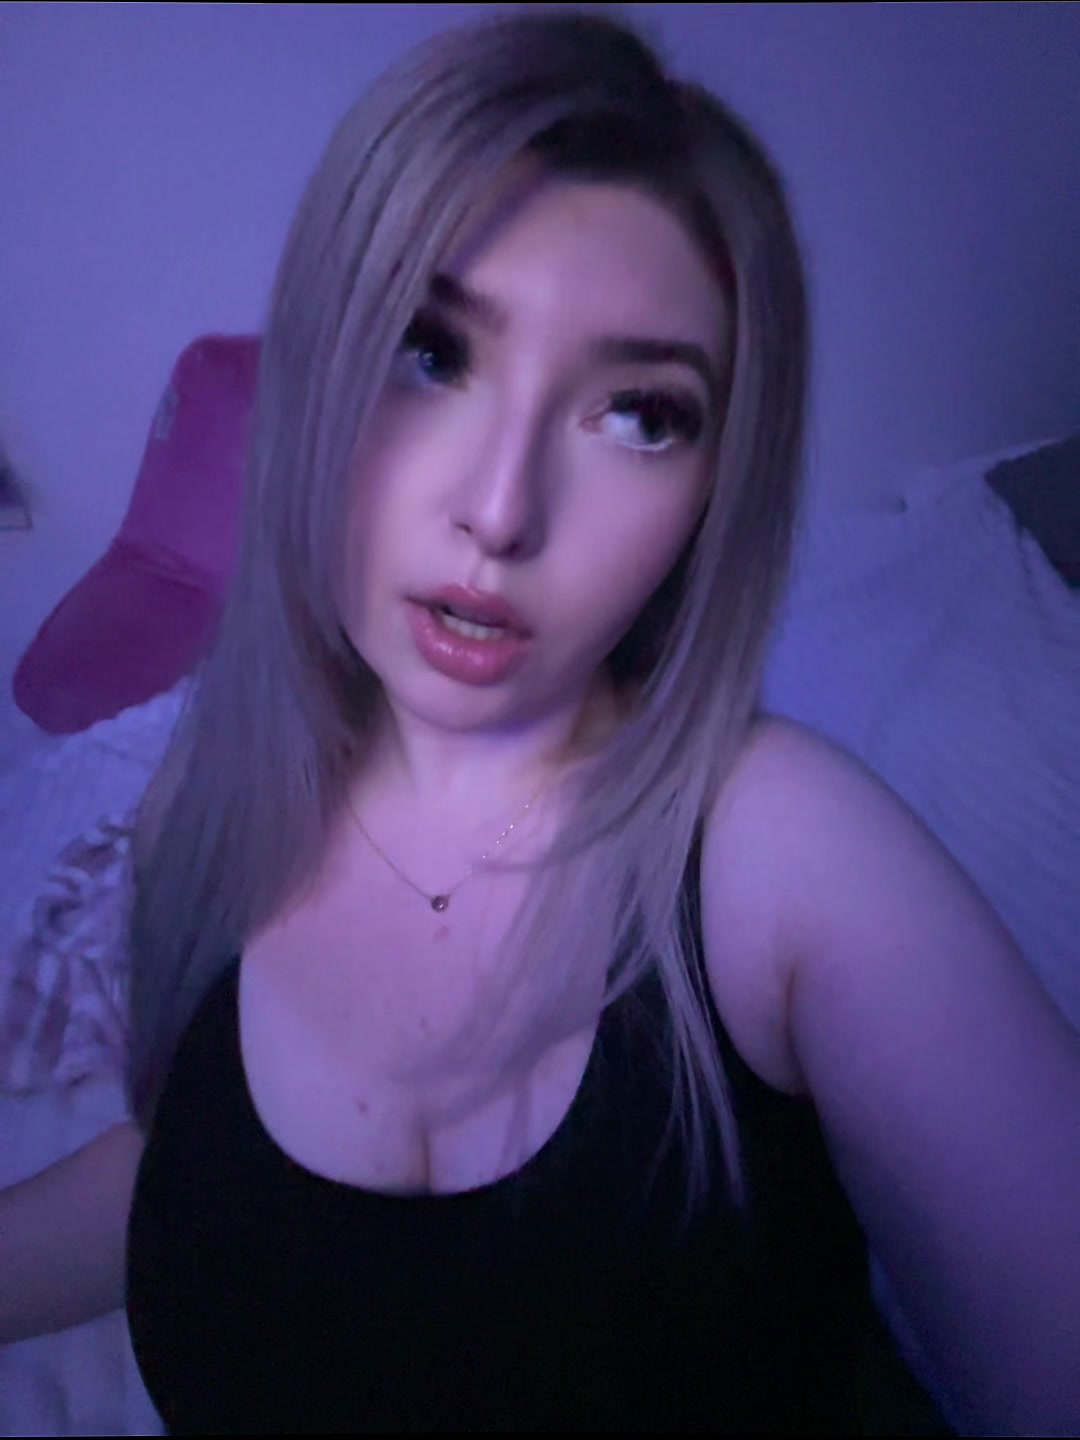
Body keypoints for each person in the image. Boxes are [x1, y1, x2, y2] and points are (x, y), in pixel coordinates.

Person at [2, 9, 1078, 1434]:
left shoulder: (784, 853)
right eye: (428, 351)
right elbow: (202, 1163)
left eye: (640, 416)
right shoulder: (215, 787)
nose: (501, 512)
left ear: (716, 490)